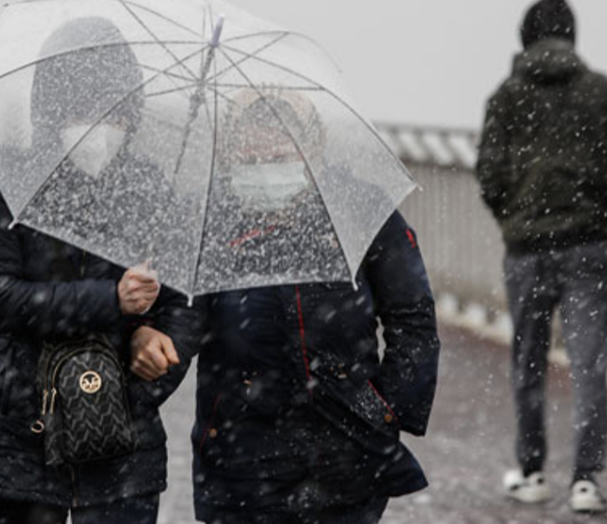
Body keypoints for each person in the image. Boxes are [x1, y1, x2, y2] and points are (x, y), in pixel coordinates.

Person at [133, 89, 441, 524]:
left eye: (281, 150)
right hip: (239, 452)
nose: (266, 162)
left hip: (345, 449)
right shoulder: (207, 216)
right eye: (253, 155)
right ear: (231, 149)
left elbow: (412, 316)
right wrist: (150, 344)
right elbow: (183, 316)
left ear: (311, 145)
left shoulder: (358, 208)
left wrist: (387, 407)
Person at [0, 16, 199, 524]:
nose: (97, 124)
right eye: (80, 105)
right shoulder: (1, 176)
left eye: (112, 108)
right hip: (14, 438)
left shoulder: (153, 186)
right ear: (50, 103)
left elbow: (184, 303)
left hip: (123, 447)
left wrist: (148, 364)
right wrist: (109, 301)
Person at [476, 0, 607, 512]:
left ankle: (533, 469)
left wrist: (516, 218)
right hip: (586, 245)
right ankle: (585, 480)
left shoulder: (505, 97)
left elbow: (490, 175)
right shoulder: (603, 92)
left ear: (525, 37)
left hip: (526, 250)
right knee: (589, 365)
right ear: (572, 35)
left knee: (528, 362)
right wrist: (598, 204)